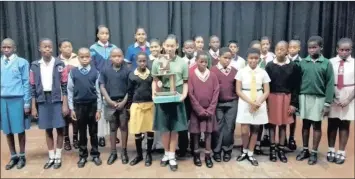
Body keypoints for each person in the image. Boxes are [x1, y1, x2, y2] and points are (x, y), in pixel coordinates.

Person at [30, 38, 69, 169]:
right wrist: (33, 106)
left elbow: (64, 85)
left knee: (59, 128)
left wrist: (65, 104)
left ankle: (58, 155)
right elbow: (32, 87)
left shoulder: (59, 64)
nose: (47, 49)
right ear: (39, 49)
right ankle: (51, 156)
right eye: (44, 47)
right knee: (47, 129)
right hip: (43, 100)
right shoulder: (34, 65)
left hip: (57, 99)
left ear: (52, 49)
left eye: (49, 47)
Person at [151, 34, 189, 171]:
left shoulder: (182, 63)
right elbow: (155, 81)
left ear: (177, 46)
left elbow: (185, 82)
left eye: (172, 46)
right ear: (163, 46)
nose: (169, 48)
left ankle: (172, 155)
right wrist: (154, 94)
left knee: (175, 128)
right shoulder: (157, 62)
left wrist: (183, 95)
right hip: (162, 95)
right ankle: (166, 154)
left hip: (177, 95)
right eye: (167, 46)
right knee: (164, 128)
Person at [296, 36, 335, 165]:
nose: (312, 50)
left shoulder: (326, 63)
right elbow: (297, 82)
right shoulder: (302, 63)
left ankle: (314, 152)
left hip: (319, 98)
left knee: (317, 125)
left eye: (314, 47)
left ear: (321, 48)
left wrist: (327, 102)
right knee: (305, 124)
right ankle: (305, 149)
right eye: (309, 48)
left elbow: (330, 84)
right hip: (304, 97)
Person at [265, 41, 301, 163]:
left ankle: (281, 149)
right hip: (272, 97)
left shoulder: (293, 66)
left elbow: (296, 87)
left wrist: (293, 103)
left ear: (287, 51)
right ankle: (272, 149)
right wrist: (265, 102)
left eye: (282, 49)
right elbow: (266, 85)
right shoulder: (269, 66)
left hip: (286, 98)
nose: (279, 51)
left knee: (283, 124)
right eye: (277, 49)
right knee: (272, 124)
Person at [67, 48, 102, 168]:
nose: (85, 59)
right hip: (79, 106)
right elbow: (70, 91)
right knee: (82, 133)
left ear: (90, 58)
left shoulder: (95, 72)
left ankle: (95, 154)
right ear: (78, 58)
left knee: (93, 132)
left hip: (92, 105)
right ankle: (82, 156)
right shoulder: (73, 73)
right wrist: (72, 109)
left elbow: (98, 93)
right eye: (82, 57)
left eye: (87, 57)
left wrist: (99, 109)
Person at [235, 48, 271, 166]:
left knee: (255, 129)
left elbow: (266, 91)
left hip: (259, 101)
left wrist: (257, 103)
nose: (253, 61)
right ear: (247, 59)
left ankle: (251, 153)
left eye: (256, 58)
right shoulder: (241, 72)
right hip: (245, 101)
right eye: (251, 58)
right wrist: (251, 102)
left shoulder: (263, 72)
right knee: (245, 130)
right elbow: (238, 90)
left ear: (259, 59)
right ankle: (244, 151)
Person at [1, 38, 31, 170]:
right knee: (7, 130)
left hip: (18, 99)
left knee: (19, 129)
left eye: (9, 47)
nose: (6, 49)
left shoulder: (22, 62)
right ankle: (13, 156)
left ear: (14, 48)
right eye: (4, 47)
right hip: (3, 99)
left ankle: (22, 155)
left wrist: (27, 103)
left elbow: (26, 83)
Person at [188, 51, 219, 168]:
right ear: (196, 62)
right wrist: (199, 110)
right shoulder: (192, 76)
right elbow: (190, 94)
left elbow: (216, 92)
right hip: (197, 112)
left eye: (206, 62)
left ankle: (207, 155)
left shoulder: (212, 75)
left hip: (209, 111)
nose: (204, 64)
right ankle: (196, 154)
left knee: (208, 133)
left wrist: (210, 109)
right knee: (195, 133)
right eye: (201, 61)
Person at [100, 48, 130, 165]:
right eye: (114, 56)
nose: (117, 58)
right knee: (112, 128)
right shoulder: (105, 70)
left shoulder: (127, 71)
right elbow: (102, 86)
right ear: (110, 58)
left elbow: (130, 89)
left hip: (123, 102)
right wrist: (109, 100)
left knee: (123, 127)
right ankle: (113, 152)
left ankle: (124, 151)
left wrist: (123, 102)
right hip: (110, 103)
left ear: (123, 56)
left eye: (119, 56)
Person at [90, 25, 119, 147]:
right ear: (97, 35)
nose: (104, 35)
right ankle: (101, 135)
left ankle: (113, 134)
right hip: (99, 80)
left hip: (112, 80)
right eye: (102, 33)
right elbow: (92, 65)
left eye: (106, 33)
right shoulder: (93, 48)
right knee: (100, 107)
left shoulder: (114, 48)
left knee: (112, 105)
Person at [327, 38, 354, 165]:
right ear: (337, 49)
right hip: (334, 94)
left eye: (347, 50)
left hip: (349, 95)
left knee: (344, 124)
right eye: (342, 50)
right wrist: (332, 97)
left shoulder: (354, 63)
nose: (344, 52)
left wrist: (349, 99)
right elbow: (327, 81)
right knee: (332, 123)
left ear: (351, 50)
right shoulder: (330, 62)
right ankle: (331, 149)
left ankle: (341, 151)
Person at [210, 47, 238, 163]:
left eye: (229, 58)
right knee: (217, 128)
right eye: (225, 58)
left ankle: (227, 151)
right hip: (217, 104)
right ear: (218, 57)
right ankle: (216, 151)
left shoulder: (235, 71)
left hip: (232, 103)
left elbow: (237, 88)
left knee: (229, 128)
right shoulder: (213, 71)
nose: (227, 60)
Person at [127, 52, 155, 166]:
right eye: (140, 61)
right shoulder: (132, 75)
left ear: (147, 61)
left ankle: (148, 154)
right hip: (137, 105)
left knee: (150, 130)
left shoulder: (151, 74)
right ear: (136, 62)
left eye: (144, 61)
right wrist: (128, 107)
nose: (142, 63)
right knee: (137, 131)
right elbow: (129, 92)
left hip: (150, 105)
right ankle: (139, 155)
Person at [58, 39, 80, 151]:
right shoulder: (57, 61)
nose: (68, 48)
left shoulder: (78, 58)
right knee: (65, 118)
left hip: (76, 93)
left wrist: (74, 68)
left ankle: (76, 138)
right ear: (60, 49)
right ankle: (66, 140)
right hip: (63, 94)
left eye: (70, 46)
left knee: (75, 117)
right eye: (65, 46)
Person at [285, 37, 303, 151]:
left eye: (294, 47)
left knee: (293, 115)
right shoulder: (282, 60)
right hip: (283, 92)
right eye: (290, 47)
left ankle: (291, 137)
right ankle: (282, 139)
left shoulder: (301, 62)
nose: (292, 49)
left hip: (295, 93)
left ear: (299, 48)